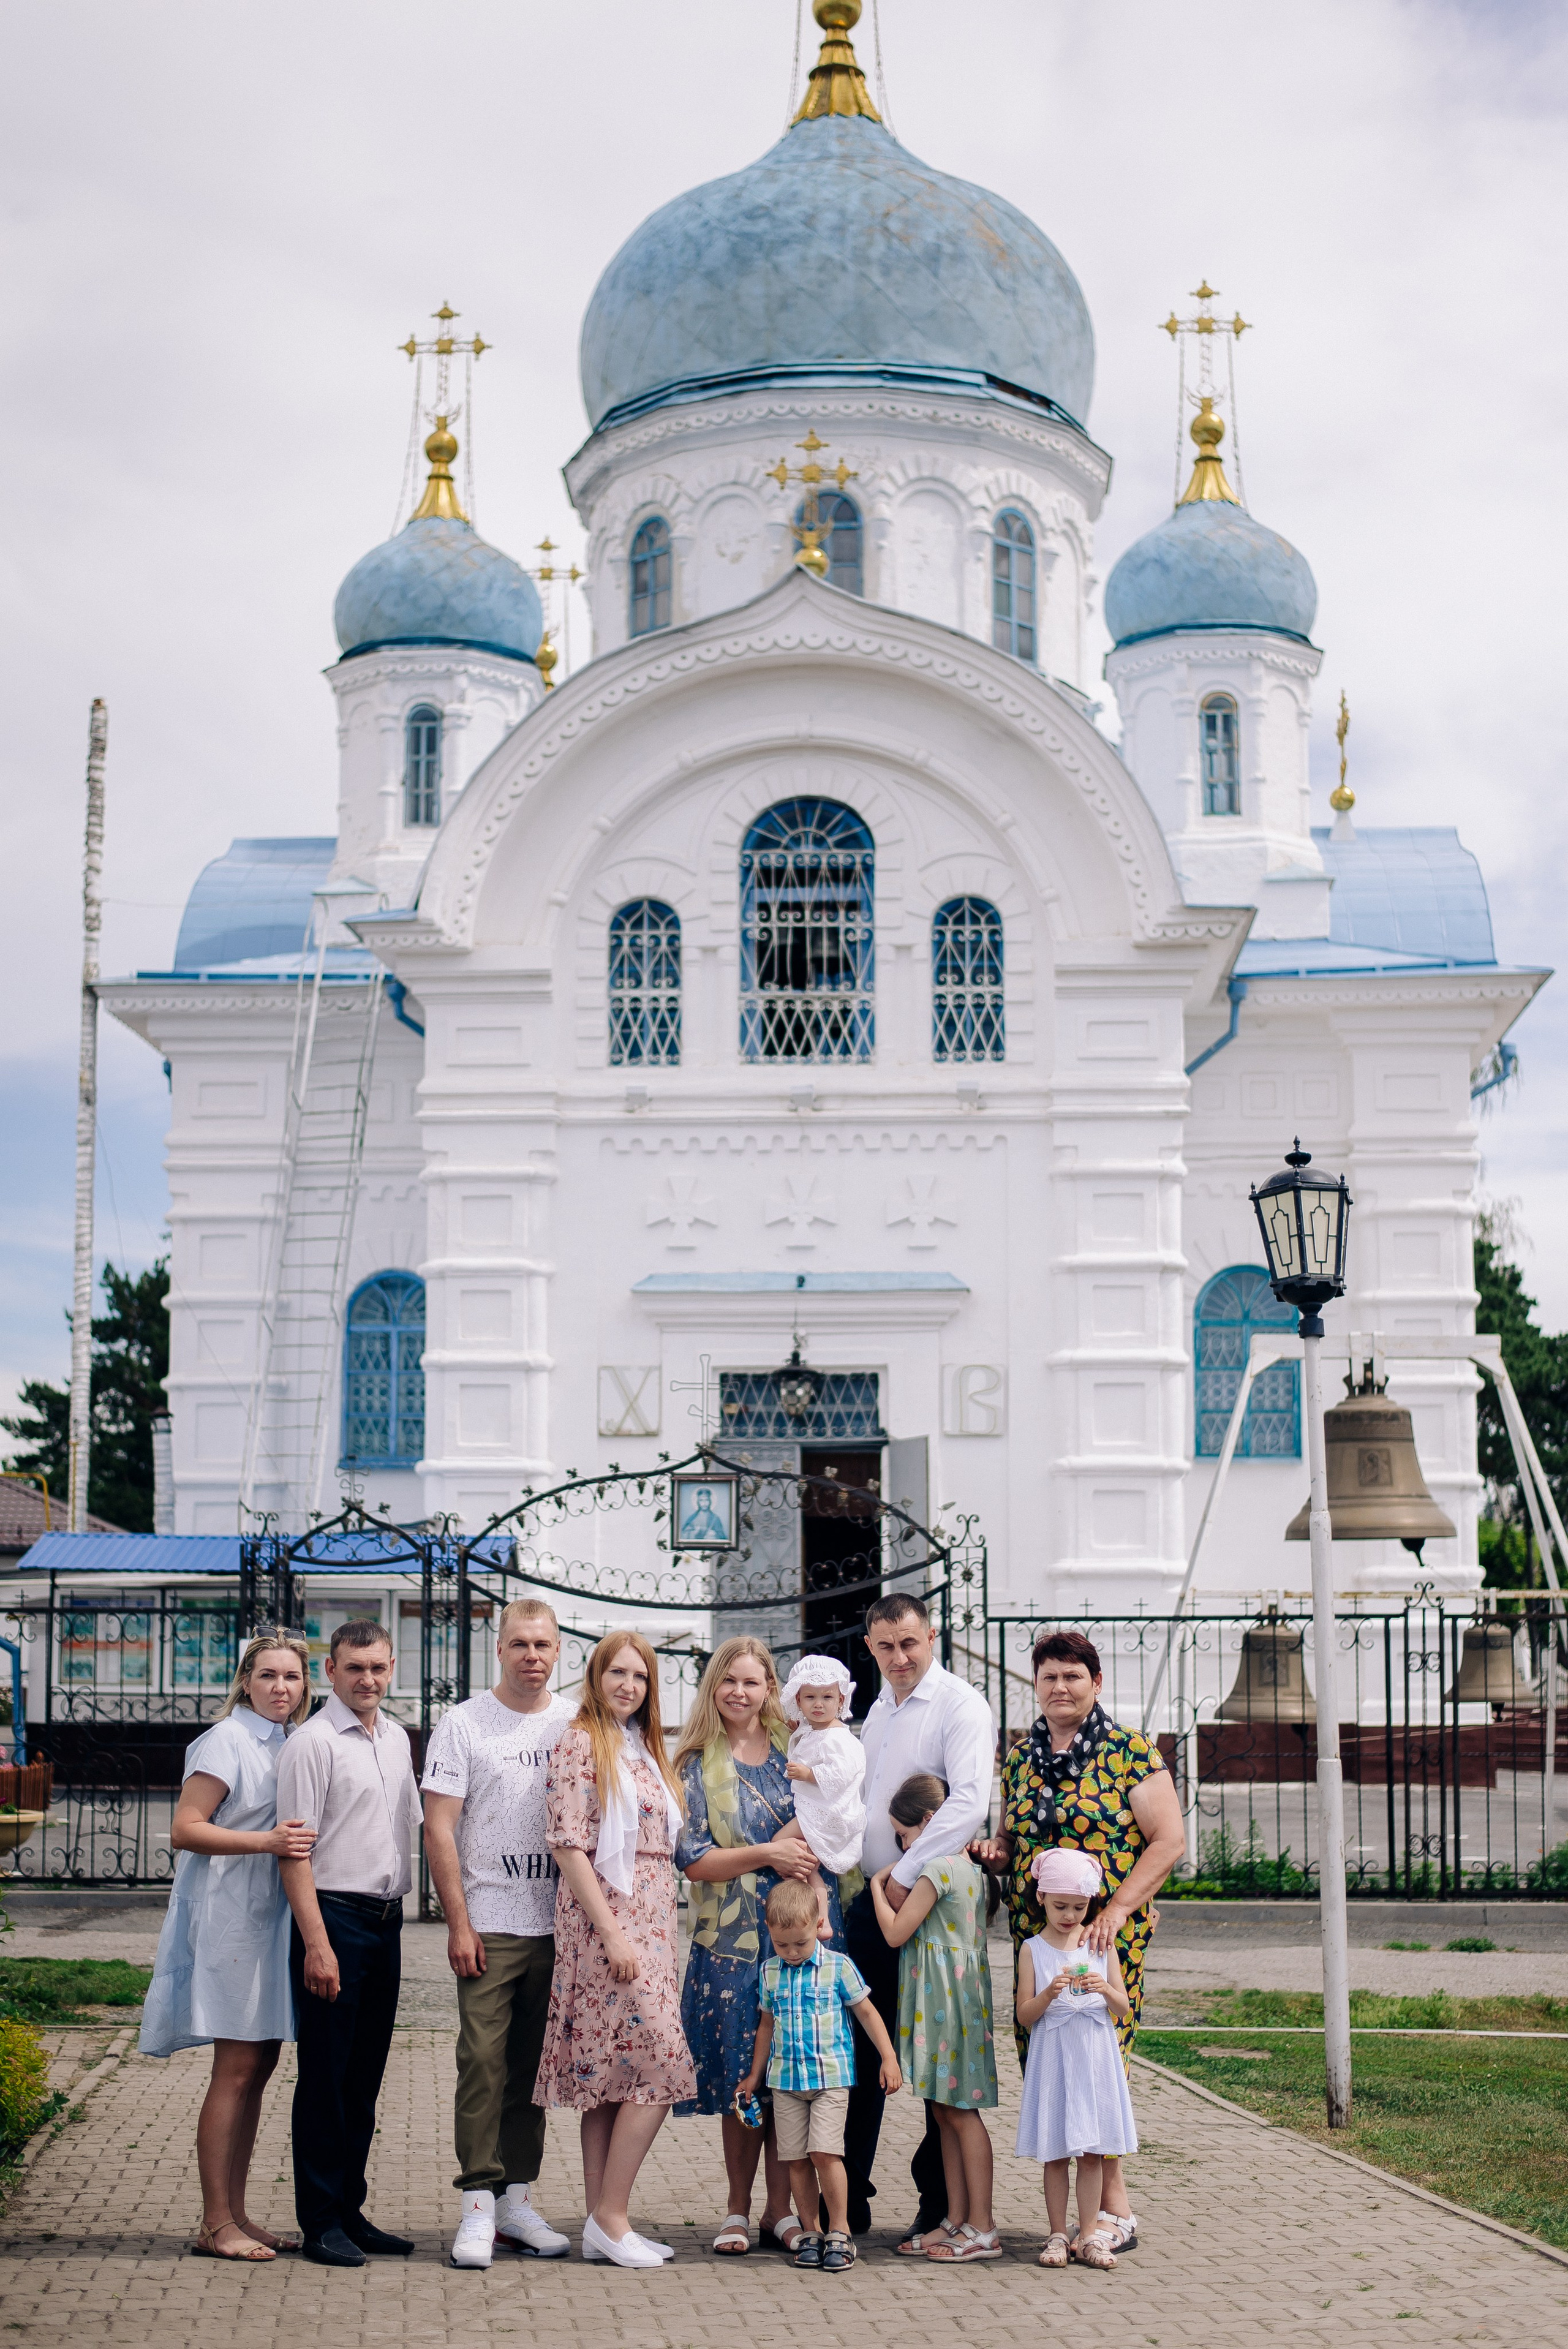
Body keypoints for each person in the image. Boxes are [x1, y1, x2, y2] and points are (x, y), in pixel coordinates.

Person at [974, 1626, 1183, 2258]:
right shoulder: (1021, 1756)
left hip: (1103, 1938)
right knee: (1048, 2060)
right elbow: (1015, 1840)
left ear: (1096, 1682)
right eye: (1048, 1677)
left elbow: (1168, 1840)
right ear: (1035, 1686)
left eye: (1072, 1675)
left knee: (1098, 2064)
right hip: (1037, 1939)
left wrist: (1117, 1909)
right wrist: (996, 1852)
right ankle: (1087, 2215)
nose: (1059, 1687)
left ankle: (1112, 2209)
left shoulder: (1129, 1752)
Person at [140, 1631, 315, 2262]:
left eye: (291, 1678)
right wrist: (266, 1843)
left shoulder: (290, 1740)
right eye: (267, 1676)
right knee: (236, 2070)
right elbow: (185, 1829)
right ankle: (216, 2221)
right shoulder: (226, 1741)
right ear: (245, 1681)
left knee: (259, 2068)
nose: (280, 1688)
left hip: (271, 1920)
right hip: (232, 1918)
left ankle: (237, 2212)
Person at [420, 1596, 575, 2269]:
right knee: (481, 2064)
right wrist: (459, 1922)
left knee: (531, 2072)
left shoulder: (576, 1721)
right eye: (519, 1644)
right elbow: (438, 1828)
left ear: (558, 1650)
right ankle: (478, 2205)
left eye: (542, 1645)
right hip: (490, 1925)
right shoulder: (463, 1724)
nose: (531, 1657)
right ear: (500, 1648)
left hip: (559, 1928)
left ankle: (516, 2200)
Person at [535, 1629, 696, 2268]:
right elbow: (568, 1843)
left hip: (654, 1922)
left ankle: (602, 2225)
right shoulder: (580, 1741)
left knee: (612, 2078)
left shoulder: (642, 1747)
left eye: (639, 1676)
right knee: (662, 2066)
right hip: (610, 1923)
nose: (628, 1685)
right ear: (596, 1677)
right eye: (617, 1673)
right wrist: (610, 1932)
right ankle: (612, 2214)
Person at [844, 1591, 995, 2250]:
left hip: (923, 1909)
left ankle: (943, 2208)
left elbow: (967, 1803)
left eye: (909, 1642)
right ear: (871, 1648)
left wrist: (904, 1877)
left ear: (930, 1637)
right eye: (885, 1646)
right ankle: (848, 2196)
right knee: (856, 2053)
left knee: (936, 2067)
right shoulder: (877, 1711)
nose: (899, 1657)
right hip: (872, 1901)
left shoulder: (960, 1703)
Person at [673, 1636, 831, 2257]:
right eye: (729, 1681)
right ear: (714, 1687)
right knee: (744, 2080)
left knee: (792, 2079)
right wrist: (768, 1852)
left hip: (799, 1935)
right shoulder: (693, 1761)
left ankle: (779, 2211)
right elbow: (692, 1858)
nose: (740, 1691)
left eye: (753, 1681)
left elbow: (834, 1814)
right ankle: (736, 2210)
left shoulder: (801, 1749)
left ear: (771, 1689)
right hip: (732, 1944)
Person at [274, 1616, 422, 2269]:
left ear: (392, 1670)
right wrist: (316, 1943)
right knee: (326, 2079)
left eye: (379, 1667)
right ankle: (320, 2221)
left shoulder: (394, 1738)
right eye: (355, 1667)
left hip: (385, 1923)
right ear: (329, 1671)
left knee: (363, 2078)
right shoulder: (312, 1744)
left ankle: (351, 2211)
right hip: (333, 1919)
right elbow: (293, 1853)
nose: (368, 1679)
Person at [736, 1879, 901, 2277]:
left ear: (818, 1923)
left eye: (801, 1943)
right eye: (782, 1944)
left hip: (830, 2078)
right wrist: (755, 2076)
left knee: (825, 2153)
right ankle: (811, 2231)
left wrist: (888, 2057)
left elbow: (867, 2012)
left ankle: (840, 2230)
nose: (792, 1952)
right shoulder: (770, 1972)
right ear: (770, 1932)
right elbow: (766, 2025)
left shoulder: (838, 1967)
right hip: (786, 2080)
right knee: (796, 2159)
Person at [869, 1771, 1000, 2261]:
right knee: (946, 2112)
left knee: (961, 2112)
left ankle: (982, 2225)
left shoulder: (938, 1869)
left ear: (930, 1821)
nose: (902, 1846)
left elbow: (897, 1933)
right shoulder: (961, 1865)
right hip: (952, 2004)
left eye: (903, 1836)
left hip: (950, 2007)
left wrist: (879, 1885)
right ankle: (956, 2218)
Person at [1013, 1848, 1136, 2272]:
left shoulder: (1100, 1943)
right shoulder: (1033, 1949)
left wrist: (1105, 1988)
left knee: (1092, 2151)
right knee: (1055, 2151)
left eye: (1079, 1907)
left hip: (1095, 2058)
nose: (1069, 1914)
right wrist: (1048, 1993)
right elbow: (1024, 2015)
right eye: (1060, 1905)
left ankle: (1089, 2235)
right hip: (1055, 2058)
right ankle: (1056, 2233)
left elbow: (1123, 2009)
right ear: (1042, 1896)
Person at [778, 1654, 866, 1941]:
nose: (819, 1704)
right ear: (798, 1701)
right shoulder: (814, 1732)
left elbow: (843, 1773)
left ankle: (819, 1915)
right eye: (810, 1697)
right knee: (807, 1865)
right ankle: (820, 1918)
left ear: (841, 1700)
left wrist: (809, 1774)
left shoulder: (839, 1738)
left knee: (780, 1846)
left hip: (826, 1812)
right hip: (813, 1807)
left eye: (827, 1697)